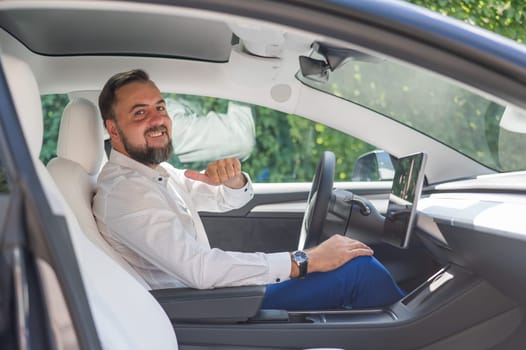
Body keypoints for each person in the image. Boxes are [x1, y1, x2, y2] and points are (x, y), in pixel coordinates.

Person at [92, 69, 405, 310]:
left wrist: (233, 181)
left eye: (160, 107)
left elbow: (226, 198)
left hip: (212, 299)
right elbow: (199, 269)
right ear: (112, 129)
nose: (158, 119)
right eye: (140, 112)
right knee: (360, 272)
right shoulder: (124, 191)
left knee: (356, 268)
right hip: (204, 311)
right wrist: (304, 261)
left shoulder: (154, 173)